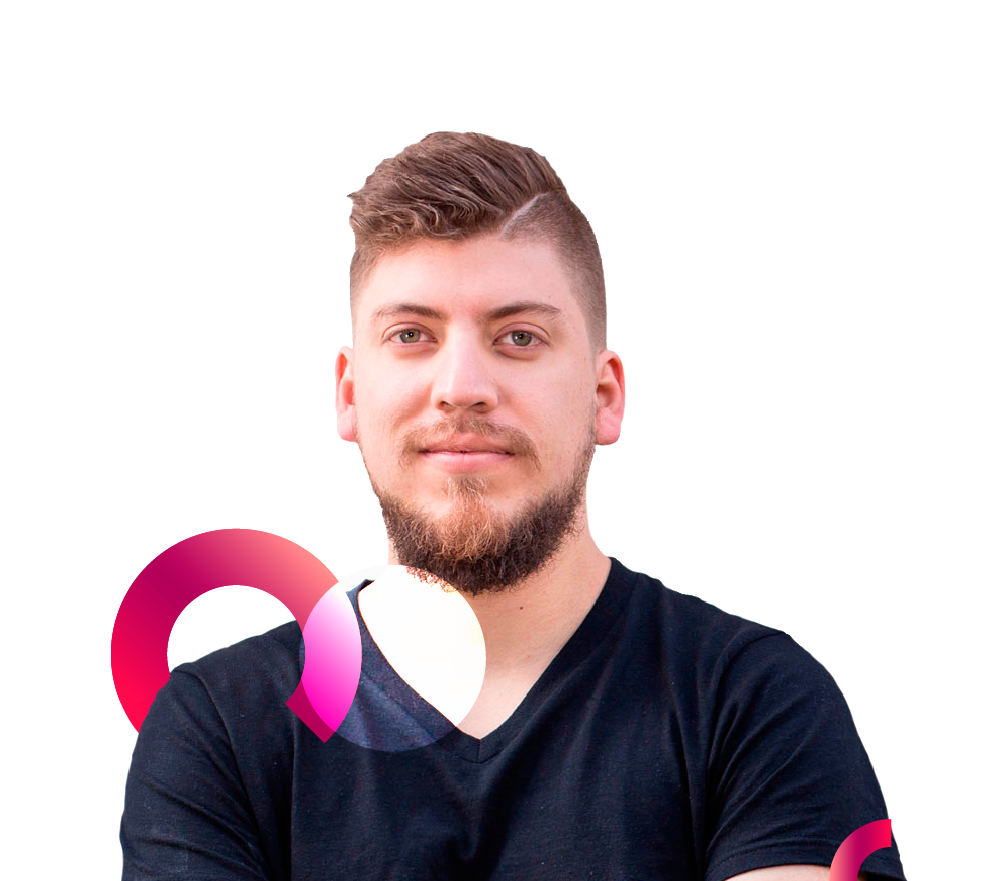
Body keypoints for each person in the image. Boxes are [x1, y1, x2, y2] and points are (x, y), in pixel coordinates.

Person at [120, 132, 906, 880]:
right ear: (349, 395)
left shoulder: (757, 699)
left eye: (520, 336)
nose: (462, 386)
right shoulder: (218, 725)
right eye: (412, 334)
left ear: (605, 395)